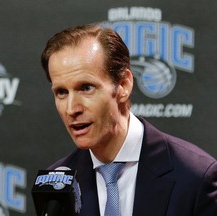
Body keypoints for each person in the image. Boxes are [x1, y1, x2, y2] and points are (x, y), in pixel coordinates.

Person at [40, 25, 217, 216]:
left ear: (123, 85)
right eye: (61, 92)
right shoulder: (56, 184)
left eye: (86, 88)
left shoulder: (196, 177)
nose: (71, 109)